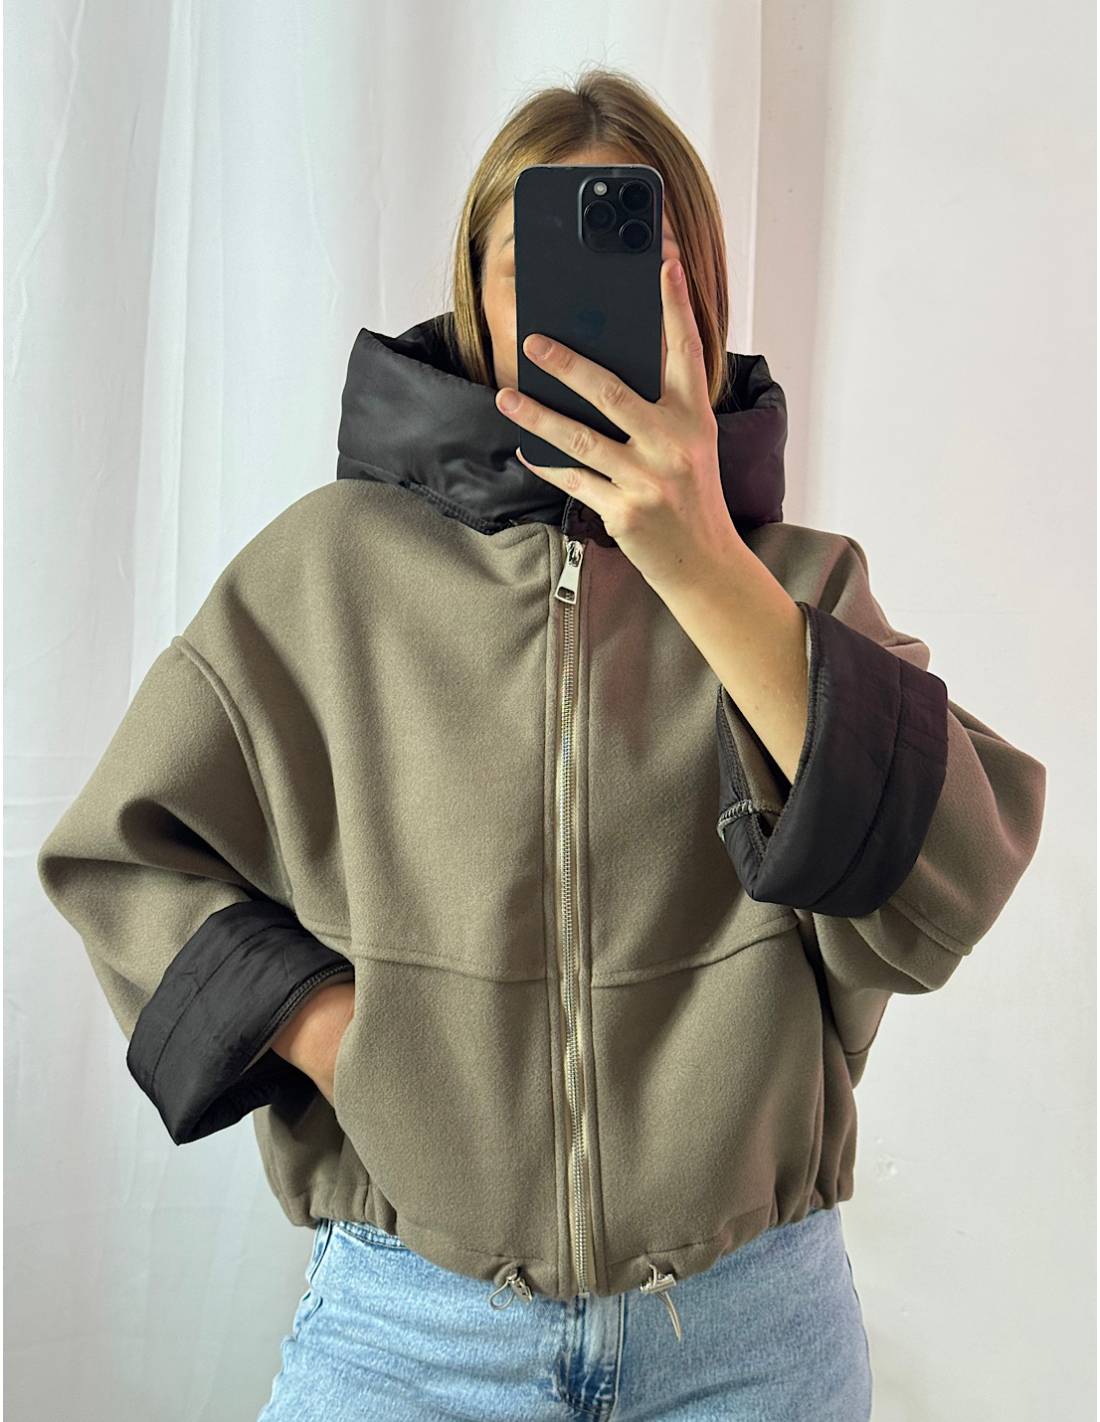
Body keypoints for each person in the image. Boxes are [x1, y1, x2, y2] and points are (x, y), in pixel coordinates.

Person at [36, 67, 1047, 1421]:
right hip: (412, 1327)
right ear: (475, 291)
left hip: (749, 1334)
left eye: (644, 259)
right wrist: (342, 1040)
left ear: (700, 300)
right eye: (536, 256)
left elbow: (951, 884)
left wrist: (704, 565)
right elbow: (121, 856)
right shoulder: (332, 573)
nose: (588, 306)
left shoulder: (795, 590)